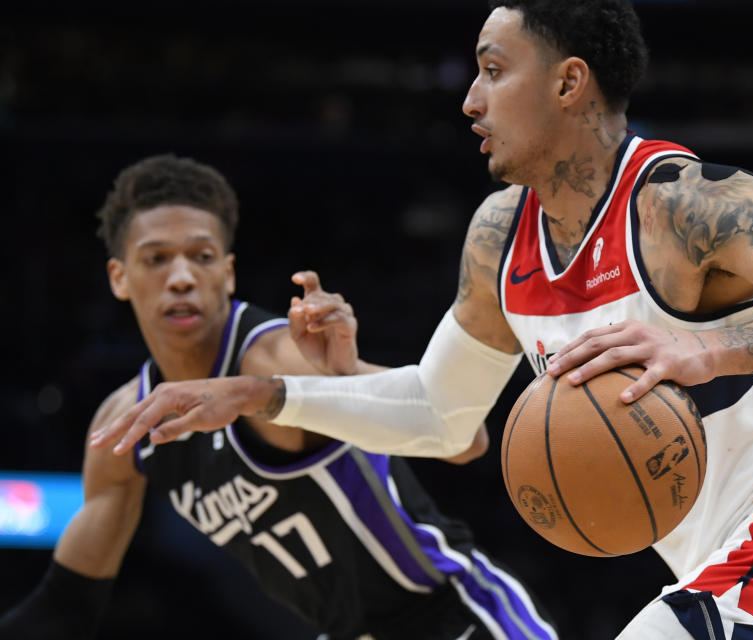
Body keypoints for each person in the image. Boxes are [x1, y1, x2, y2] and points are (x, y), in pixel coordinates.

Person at [90, 2, 753, 638]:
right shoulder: (500, 238)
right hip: (733, 568)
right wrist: (264, 392)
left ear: (569, 82)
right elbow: (442, 414)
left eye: (493, 70)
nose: (470, 98)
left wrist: (708, 346)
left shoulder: (689, 207)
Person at [0, 154, 558, 640]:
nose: (181, 278)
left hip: (449, 615)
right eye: (156, 259)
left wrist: (347, 369)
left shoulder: (269, 360)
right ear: (119, 278)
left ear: (228, 272)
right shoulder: (125, 425)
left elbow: (464, 440)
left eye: (201, 256)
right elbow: (66, 609)